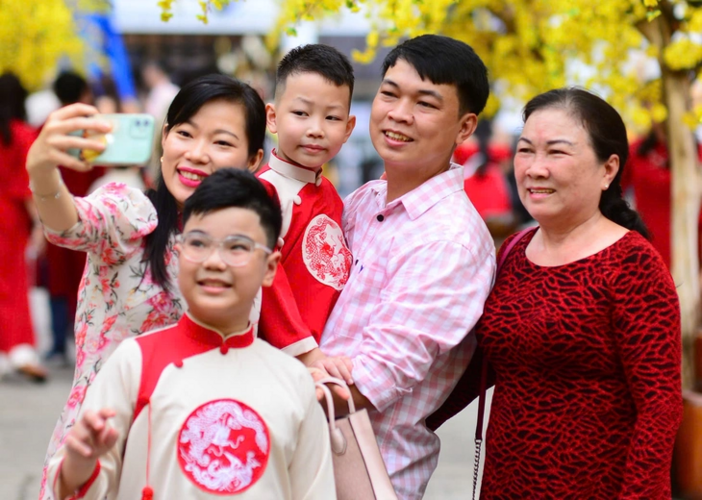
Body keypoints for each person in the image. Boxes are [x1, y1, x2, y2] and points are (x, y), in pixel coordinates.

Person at [27, 74, 267, 499]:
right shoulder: (133, 212)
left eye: (221, 142)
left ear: (253, 161)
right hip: (100, 456)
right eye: (185, 133)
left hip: (196, 466)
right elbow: (69, 224)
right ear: (164, 138)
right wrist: (42, 170)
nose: (197, 153)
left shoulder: (250, 250)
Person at [46, 168, 335, 499]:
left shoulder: (294, 383)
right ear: (181, 253)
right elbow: (78, 486)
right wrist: (80, 464)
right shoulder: (133, 363)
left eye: (237, 247)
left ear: (270, 267)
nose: (214, 262)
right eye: (199, 243)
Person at [475, 88, 682, 498]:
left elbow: (659, 407)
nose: (535, 168)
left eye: (556, 152)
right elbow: (479, 368)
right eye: (525, 150)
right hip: (506, 485)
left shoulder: (633, 264)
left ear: (608, 169)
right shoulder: (514, 251)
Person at [313, 35, 496, 499]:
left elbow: (366, 382)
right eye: (390, 94)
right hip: (304, 463)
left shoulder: (450, 240)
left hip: (362, 476)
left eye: (425, 103)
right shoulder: (363, 201)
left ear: (465, 127)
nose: (399, 113)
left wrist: (252, 378)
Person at [256, 44, 355, 360]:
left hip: (328, 356)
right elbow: (265, 279)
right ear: (272, 118)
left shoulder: (330, 193)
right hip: (283, 360)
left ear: (348, 128)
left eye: (332, 117)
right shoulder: (262, 193)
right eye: (301, 113)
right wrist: (305, 352)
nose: (316, 129)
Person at [42, 71, 105, 363]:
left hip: (54, 210)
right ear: (83, 94)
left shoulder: (48, 127)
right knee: (87, 277)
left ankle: (57, 343)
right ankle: (84, 342)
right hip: (88, 212)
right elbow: (100, 171)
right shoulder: (92, 129)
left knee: (57, 280)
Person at [0, 73, 47, 381]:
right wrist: (41, 226)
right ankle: (19, 349)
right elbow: (26, 185)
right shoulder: (22, 134)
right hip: (10, 219)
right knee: (14, 282)